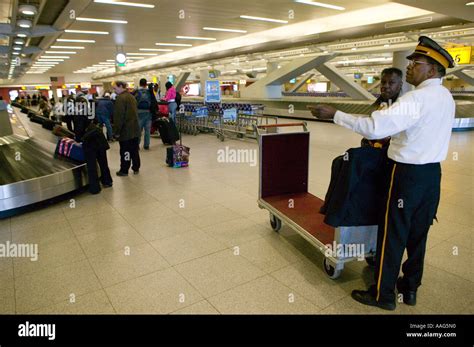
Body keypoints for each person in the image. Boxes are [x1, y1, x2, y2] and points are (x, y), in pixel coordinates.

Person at [312, 36, 455, 311]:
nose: (410, 66)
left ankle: (383, 294)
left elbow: (376, 128)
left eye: (416, 62)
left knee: (392, 233)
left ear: (433, 70)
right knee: (418, 235)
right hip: (432, 176)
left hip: (405, 175)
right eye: (411, 61)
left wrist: (335, 115)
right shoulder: (445, 97)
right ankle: (410, 288)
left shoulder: (417, 98)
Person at [360, 67, 403, 149]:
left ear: (400, 84)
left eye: (391, 83)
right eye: (383, 82)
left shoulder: (403, 106)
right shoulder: (377, 104)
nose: (386, 86)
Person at [112, 81, 141, 176]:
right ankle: (136, 167)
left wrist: (116, 131)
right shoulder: (132, 97)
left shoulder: (120, 99)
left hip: (126, 131)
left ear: (121, 86)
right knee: (134, 150)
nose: (114, 90)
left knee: (126, 151)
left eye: (115, 88)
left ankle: (124, 169)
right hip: (135, 129)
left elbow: (119, 117)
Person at [82, 120, 113, 194]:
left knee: (92, 166)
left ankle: (95, 188)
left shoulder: (76, 114)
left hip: (89, 141)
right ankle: (107, 181)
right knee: (103, 162)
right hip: (99, 137)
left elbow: (78, 130)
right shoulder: (88, 112)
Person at [135, 78, 153, 150]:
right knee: (147, 130)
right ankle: (146, 145)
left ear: (139, 84)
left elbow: (134, 101)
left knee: (139, 129)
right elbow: (153, 101)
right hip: (148, 112)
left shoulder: (137, 92)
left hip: (139, 112)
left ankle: (137, 144)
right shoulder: (149, 91)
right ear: (146, 84)